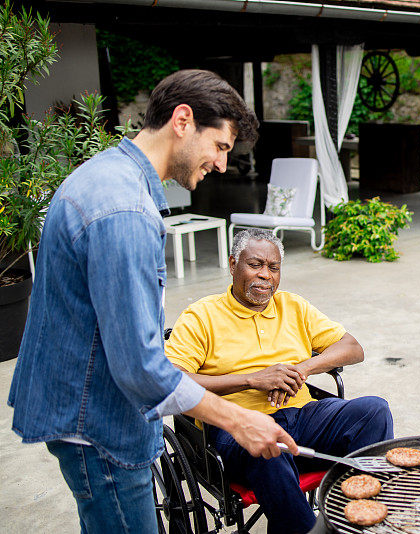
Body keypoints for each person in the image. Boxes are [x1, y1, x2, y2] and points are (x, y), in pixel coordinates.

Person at [8, 70, 299, 533]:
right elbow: (140, 366)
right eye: (220, 147)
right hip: (98, 424)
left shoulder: (110, 176)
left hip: (89, 409)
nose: (222, 165)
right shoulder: (123, 208)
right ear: (183, 120)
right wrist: (239, 420)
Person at [165, 229, 394, 534]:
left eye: (273, 268)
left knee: (374, 411)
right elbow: (170, 379)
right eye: (255, 265)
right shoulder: (201, 315)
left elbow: (352, 348)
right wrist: (251, 379)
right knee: (266, 445)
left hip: (299, 415)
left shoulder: (293, 306)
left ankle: (352, 519)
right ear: (233, 264)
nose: (265, 276)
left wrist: (302, 368)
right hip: (235, 425)